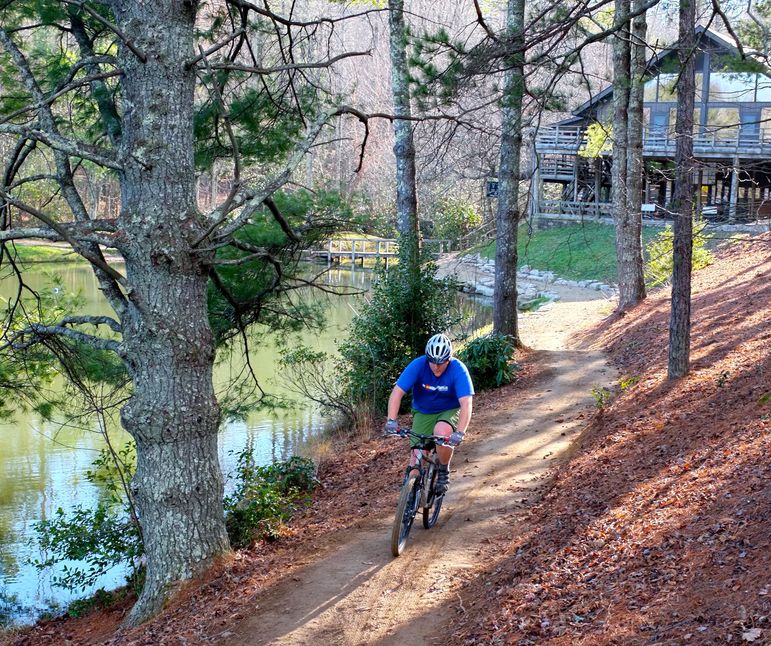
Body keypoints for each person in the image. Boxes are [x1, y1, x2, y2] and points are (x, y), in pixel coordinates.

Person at [384, 333, 474, 495]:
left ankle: (443, 469)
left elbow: (466, 403)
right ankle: (409, 499)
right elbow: (397, 393)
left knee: (441, 432)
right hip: (423, 412)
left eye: (441, 362)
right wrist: (391, 421)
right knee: (416, 459)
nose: (436, 367)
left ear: (449, 359)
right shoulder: (418, 365)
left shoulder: (458, 370)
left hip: (450, 410)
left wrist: (460, 432)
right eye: (432, 362)